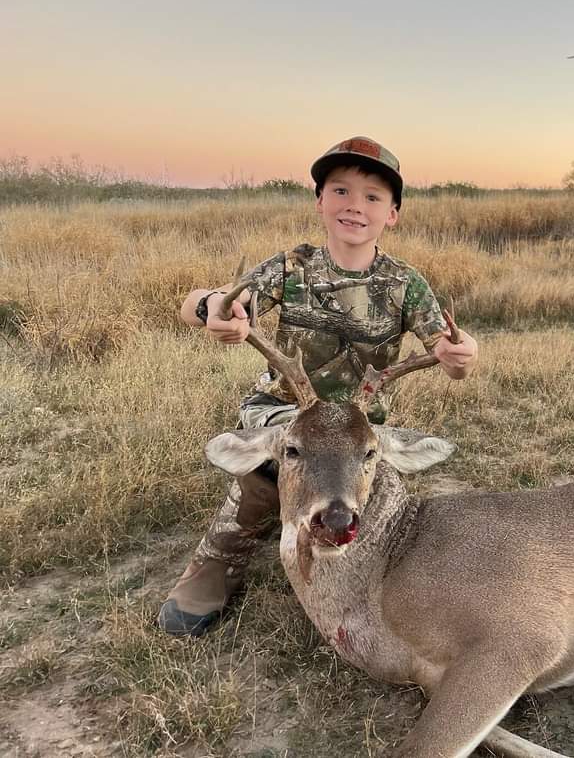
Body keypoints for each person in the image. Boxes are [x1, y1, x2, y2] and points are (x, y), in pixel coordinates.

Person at [158, 136, 478, 636]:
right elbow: (201, 301)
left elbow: (450, 354)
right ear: (320, 201)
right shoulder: (290, 268)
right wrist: (213, 310)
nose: (356, 205)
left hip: (360, 421)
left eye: (373, 197)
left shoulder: (405, 284)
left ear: (392, 213)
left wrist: (462, 356)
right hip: (284, 410)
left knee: (377, 492)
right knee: (284, 457)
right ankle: (218, 559)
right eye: (341, 191)